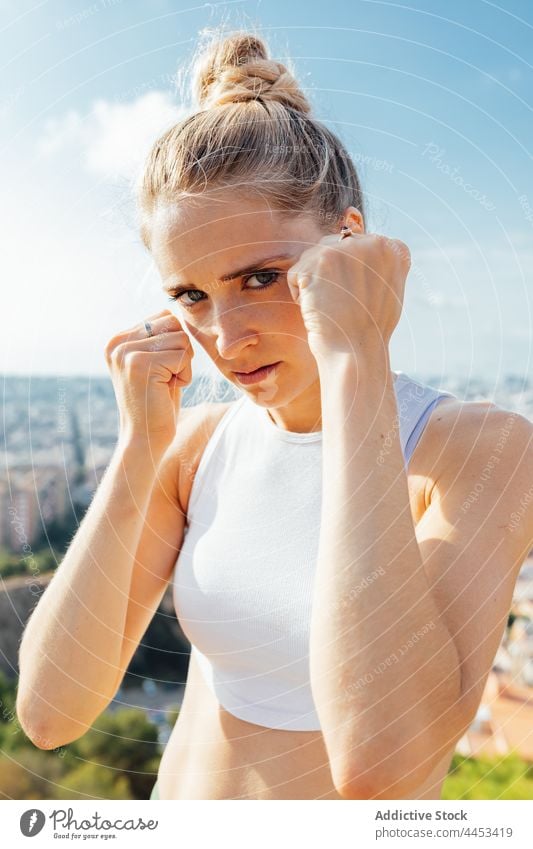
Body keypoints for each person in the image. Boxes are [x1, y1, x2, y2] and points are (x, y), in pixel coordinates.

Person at [16, 30, 533, 801]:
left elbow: (383, 767)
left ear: (349, 244)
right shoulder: (194, 449)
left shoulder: (478, 451)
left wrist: (354, 356)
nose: (224, 339)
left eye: (260, 276)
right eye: (189, 294)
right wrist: (137, 447)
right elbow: (51, 712)